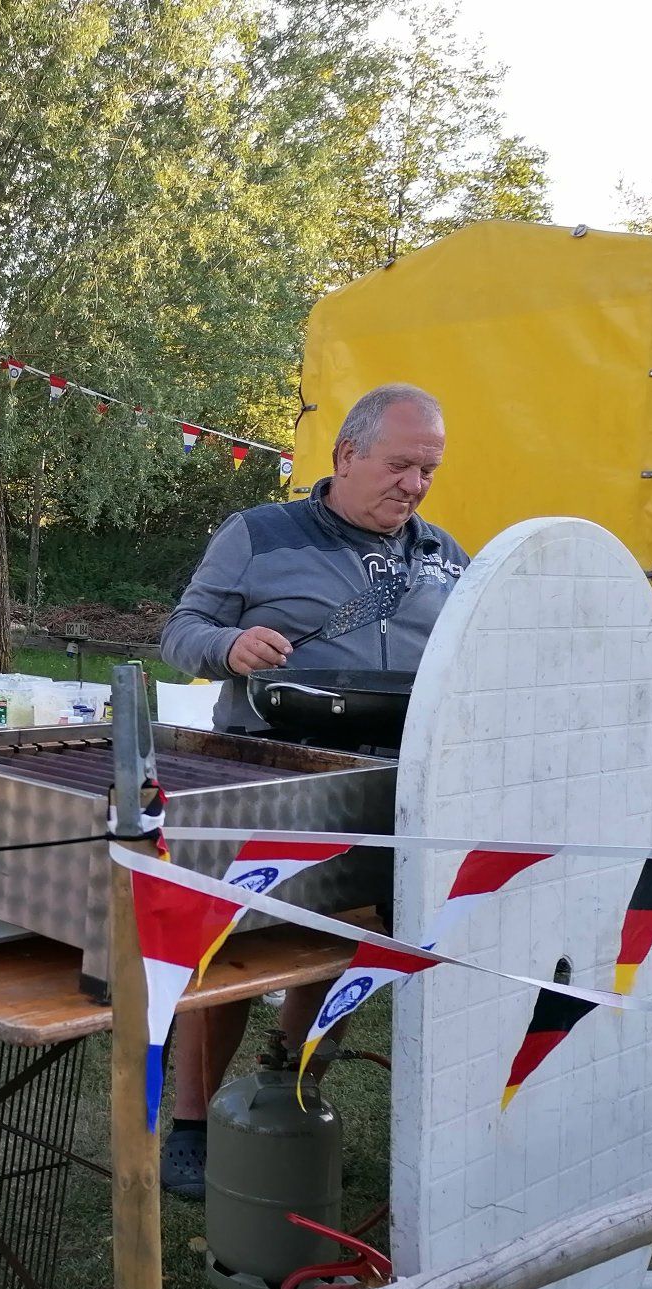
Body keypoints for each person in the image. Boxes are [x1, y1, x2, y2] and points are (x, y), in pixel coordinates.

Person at [154, 383, 467, 1198]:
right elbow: (179, 631)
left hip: (393, 784)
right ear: (347, 455)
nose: (415, 485)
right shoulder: (258, 533)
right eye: (400, 465)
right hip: (266, 772)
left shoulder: (446, 555)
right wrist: (230, 644)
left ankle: (289, 1082)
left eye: (428, 470)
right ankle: (190, 1124)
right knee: (228, 948)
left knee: (344, 942)